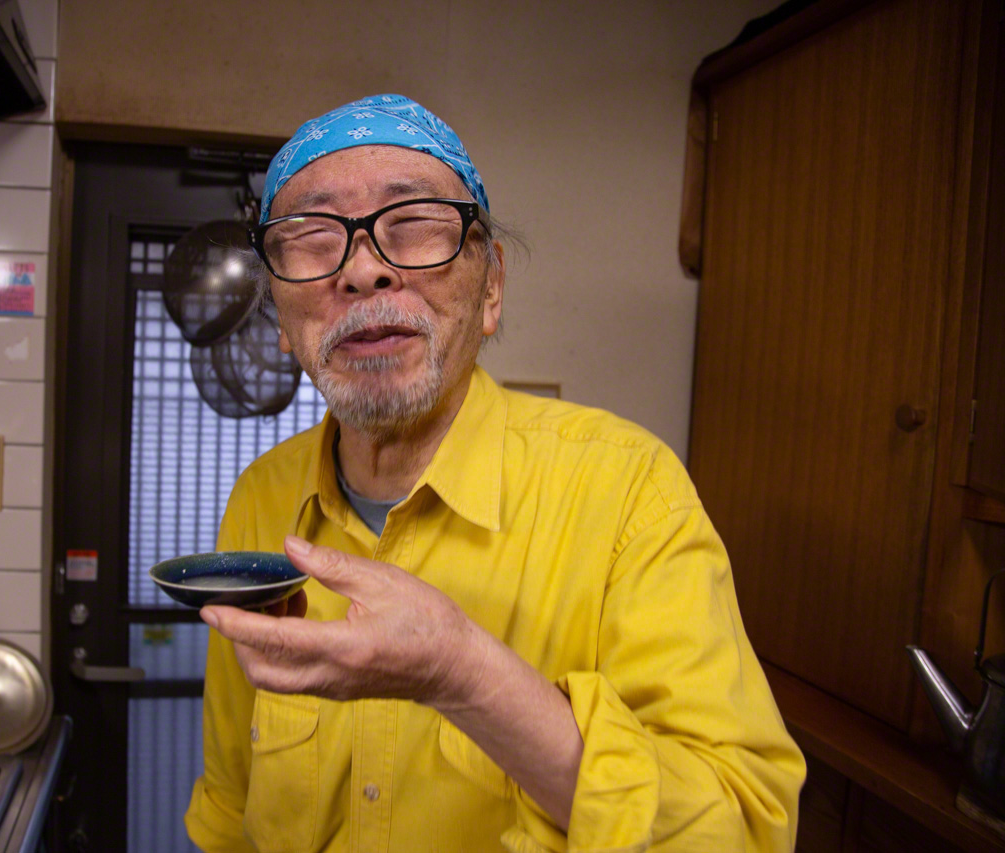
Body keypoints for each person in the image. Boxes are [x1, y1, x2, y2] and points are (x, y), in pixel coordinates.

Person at [184, 94, 805, 852]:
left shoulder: (628, 491)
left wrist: (464, 673)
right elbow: (230, 802)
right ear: (281, 319)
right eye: (312, 240)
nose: (365, 269)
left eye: (414, 225)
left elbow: (742, 827)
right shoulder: (261, 496)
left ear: (491, 289)